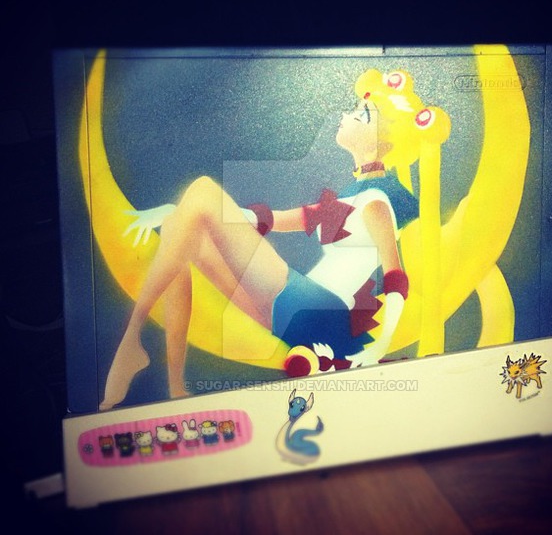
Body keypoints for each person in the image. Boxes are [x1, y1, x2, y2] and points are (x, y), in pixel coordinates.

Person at [99, 68, 449, 411]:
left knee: (203, 190)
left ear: (380, 143)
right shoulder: (351, 195)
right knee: (181, 228)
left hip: (318, 310)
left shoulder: (376, 201)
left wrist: (379, 347)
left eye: (361, 114)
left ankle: (132, 338)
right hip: (295, 313)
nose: (346, 116)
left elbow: (395, 277)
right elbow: (271, 220)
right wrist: (179, 211)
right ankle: (175, 388)